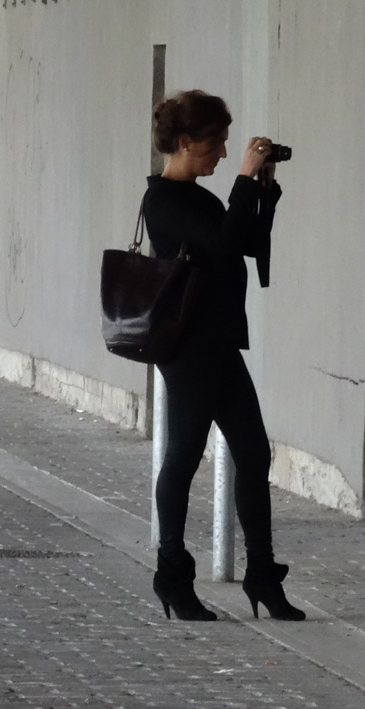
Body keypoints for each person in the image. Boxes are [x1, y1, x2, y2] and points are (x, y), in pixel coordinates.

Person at [141, 89, 304, 622]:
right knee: (184, 456)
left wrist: (264, 189)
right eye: (215, 144)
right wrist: (242, 179)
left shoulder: (203, 197)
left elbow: (246, 242)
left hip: (220, 343)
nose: (223, 153)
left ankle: (263, 575)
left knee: (254, 454)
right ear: (186, 142)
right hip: (189, 348)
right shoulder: (163, 200)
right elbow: (223, 244)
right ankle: (171, 574)